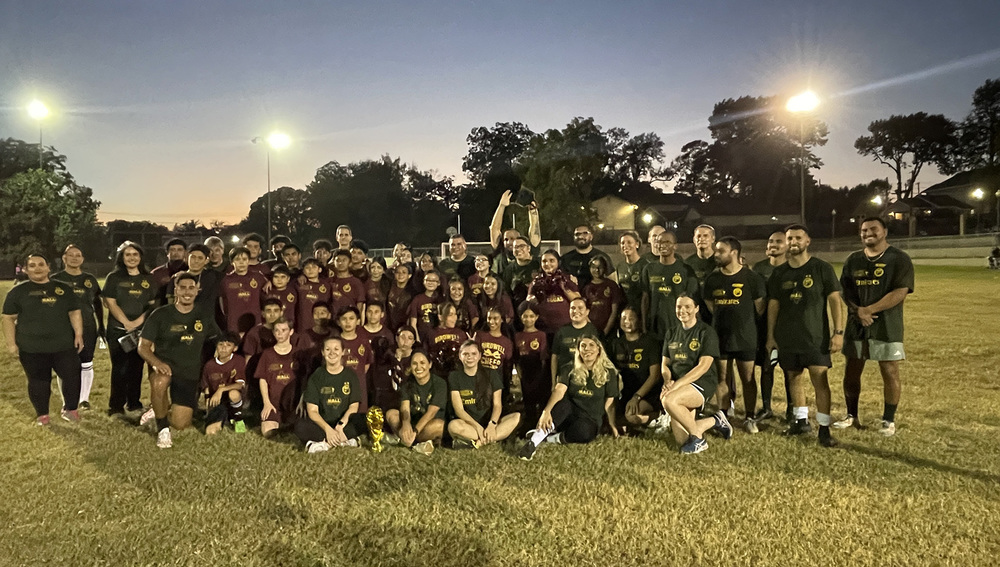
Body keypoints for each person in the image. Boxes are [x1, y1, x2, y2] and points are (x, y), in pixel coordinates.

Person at [766, 224, 845, 448]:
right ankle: (800, 422)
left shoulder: (821, 268)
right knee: (793, 378)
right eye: (790, 238)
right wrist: (771, 336)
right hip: (788, 337)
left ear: (807, 241)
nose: (793, 242)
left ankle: (824, 429)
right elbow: (774, 306)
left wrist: (838, 332)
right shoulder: (779, 273)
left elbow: (834, 301)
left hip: (815, 337)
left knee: (820, 380)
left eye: (798, 238)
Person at [835, 217, 914, 436]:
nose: (867, 233)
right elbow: (845, 290)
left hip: (886, 325)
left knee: (889, 370)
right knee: (852, 371)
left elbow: (900, 291)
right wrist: (858, 311)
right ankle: (851, 416)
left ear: (884, 232)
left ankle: (888, 420)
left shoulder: (899, 259)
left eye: (873, 229)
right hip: (856, 324)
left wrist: (870, 310)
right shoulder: (853, 260)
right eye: (863, 230)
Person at [138, 272, 222, 448]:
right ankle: (163, 430)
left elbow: (217, 340)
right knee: (160, 383)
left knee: (181, 424)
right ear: (175, 290)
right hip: (164, 367)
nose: (187, 292)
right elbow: (143, 346)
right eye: (182, 287)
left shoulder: (203, 315)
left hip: (188, 372)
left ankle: (158, 409)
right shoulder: (160, 314)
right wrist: (156, 363)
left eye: (191, 288)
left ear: (197, 290)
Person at [2, 253, 84, 425]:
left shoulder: (63, 289)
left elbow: (74, 311)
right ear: (25, 270)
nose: (37, 268)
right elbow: (8, 318)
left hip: (63, 345)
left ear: (48, 267)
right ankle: (42, 415)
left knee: (71, 377)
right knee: (38, 381)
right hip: (32, 347)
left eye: (41, 264)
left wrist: (78, 334)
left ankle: (71, 410)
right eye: (32, 265)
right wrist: (11, 344)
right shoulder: (18, 292)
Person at [518, 334, 620, 460]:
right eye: (583, 346)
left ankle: (550, 438)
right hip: (568, 414)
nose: (587, 349)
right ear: (578, 350)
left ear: (599, 349)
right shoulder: (569, 367)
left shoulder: (608, 372)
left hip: (589, 419)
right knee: (563, 404)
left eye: (591, 345)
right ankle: (533, 443)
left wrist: (611, 424)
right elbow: (559, 389)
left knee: (585, 433)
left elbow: (610, 402)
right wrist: (547, 411)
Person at [703, 236, 766, 431]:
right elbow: (710, 304)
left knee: (748, 378)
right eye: (717, 250)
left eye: (721, 251)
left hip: (745, 337)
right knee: (722, 378)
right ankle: (723, 416)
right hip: (720, 337)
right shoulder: (713, 279)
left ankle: (749, 416)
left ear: (734, 253)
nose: (717, 254)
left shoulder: (752, 278)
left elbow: (760, 307)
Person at [660, 294, 731, 455]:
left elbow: (703, 367)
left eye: (687, 307)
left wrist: (676, 386)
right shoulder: (671, 332)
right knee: (682, 441)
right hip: (679, 385)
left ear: (696, 309)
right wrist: (667, 381)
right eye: (679, 307)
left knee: (668, 400)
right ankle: (715, 420)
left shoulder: (706, 332)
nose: (682, 310)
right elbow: (665, 364)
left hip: (701, 382)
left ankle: (699, 441)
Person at [103, 241, 160, 415]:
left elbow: (152, 304)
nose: (132, 258)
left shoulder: (148, 278)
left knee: (137, 367)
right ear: (121, 257)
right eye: (127, 254)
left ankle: (134, 403)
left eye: (135, 254)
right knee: (120, 368)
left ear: (141, 257)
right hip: (118, 331)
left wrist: (137, 323)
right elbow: (110, 302)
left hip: (141, 332)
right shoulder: (114, 277)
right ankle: (116, 406)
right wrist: (126, 322)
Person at [51, 244, 105, 411]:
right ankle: (66, 401)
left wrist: (101, 326)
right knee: (64, 364)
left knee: (86, 362)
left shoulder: (90, 279)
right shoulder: (54, 279)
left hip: (87, 325)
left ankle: (84, 400)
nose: (75, 258)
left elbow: (97, 304)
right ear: (64, 258)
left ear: (82, 259)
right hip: (63, 327)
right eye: (71, 255)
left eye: (78, 255)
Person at [296, 336, 367, 452]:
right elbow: (312, 411)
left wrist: (340, 426)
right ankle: (344, 441)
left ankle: (323, 444)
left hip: (343, 423)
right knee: (300, 425)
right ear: (323, 353)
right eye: (328, 349)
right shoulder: (316, 376)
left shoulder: (351, 375)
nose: (332, 353)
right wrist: (328, 430)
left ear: (343, 352)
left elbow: (353, 406)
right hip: (323, 424)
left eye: (336, 349)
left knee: (363, 419)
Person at [447, 340, 521, 448]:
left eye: (473, 354)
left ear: (479, 356)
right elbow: (459, 410)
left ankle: (480, 442)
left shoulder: (491, 373)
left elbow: (497, 405)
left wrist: (492, 424)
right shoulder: (454, 376)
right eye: (465, 354)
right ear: (460, 356)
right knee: (453, 426)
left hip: (490, 422)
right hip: (470, 424)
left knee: (516, 417)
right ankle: (491, 438)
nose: (469, 357)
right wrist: (477, 427)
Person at [607, 307, 664, 432]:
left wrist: (636, 397)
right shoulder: (616, 343)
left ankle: (661, 416)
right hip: (625, 393)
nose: (627, 321)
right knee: (610, 417)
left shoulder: (649, 342)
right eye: (623, 318)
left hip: (646, 394)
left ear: (639, 321)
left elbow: (654, 376)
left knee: (631, 416)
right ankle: (645, 424)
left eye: (631, 318)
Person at [751, 231, 788, 421]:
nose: (774, 244)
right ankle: (766, 407)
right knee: (766, 366)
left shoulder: (791, 268)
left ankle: (792, 410)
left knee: (790, 368)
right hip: (763, 325)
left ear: (787, 246)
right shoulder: (759, 268)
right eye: (771, 241)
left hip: (788, 325)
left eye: (779, 242)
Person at [385, 350, 446, 455]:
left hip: (427, 424)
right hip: (413, 423)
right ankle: (411, 441)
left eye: (422, 363)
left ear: (430, 364)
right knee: (391, 414)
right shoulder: (407, 384)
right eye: (414, 363)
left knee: (440, 426)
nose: (418, 367)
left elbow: (431, 413)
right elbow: (405, 408)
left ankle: (406, 440)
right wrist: (406, 424)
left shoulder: (439, 383)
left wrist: (415, 432)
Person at [640, 230, 698, 339]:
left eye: (667, 242)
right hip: (655, 327)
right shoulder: (649, 269)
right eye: (659, 242)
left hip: (679, 325)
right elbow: (645, 299)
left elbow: (692, 300)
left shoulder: (686, 270)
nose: (663, 246)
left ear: (675, 246)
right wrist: (643, 325)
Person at [256, 318, 302, 438]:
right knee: (267, 432)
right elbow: (263, 379)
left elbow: (305, 380)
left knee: (299, 430)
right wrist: (266, 403)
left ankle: (290, 424)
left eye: (283, 330)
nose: (280, 334)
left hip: (294, 404)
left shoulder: (299, 353)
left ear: (291, 332)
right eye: (276, 330)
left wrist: (302, 401)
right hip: (273, 404)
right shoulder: (267, 354)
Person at [201, 332, 247, 435]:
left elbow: (240, 384)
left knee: (233, 393)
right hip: (218, 401)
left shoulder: (238, 361)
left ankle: (237, 418)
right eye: (221, 344)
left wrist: (221, 390)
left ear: (235, 348)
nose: (224, 348)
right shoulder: (209, 365)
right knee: (210, 432)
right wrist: (208, 399)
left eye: (228, 345)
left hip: (233, 398)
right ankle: (223, 418)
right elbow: (206, 386)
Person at [488, 189, 541, 275]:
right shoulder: (501, 253)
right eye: (505, 239)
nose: (509, 242)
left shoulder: (530, 250)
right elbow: (494, 229)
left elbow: (534, 229)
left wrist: (532, 210)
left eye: (512, 238)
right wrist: (501, 206)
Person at [549, 297, 600, 386]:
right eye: (572, 308)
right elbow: (554, 357)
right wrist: (553, 382)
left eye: (580, 308)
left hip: (587, 380)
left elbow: (600, 357)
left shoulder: (594, 331)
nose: (575, 311)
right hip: (565, 379)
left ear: (587, 311)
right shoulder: (562, 331)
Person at [527, 249, 581, 333]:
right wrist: (537, 294)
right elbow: (529, 301)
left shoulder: (566, 279)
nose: (547, 264)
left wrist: (564, 288)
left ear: (558, 262)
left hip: (565, 327)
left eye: (551, 260)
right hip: (543, 328)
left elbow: (577, 299)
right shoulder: (536, 281)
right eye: (544, 261)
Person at [514, 302, 549, 427]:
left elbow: (544, 357)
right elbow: (517, 358)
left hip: (538, 371)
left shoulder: (541, 335)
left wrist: (541, 375)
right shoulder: (518, 336)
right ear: (520, 317)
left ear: (537, 317)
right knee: (528, 401)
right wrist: (520, 375)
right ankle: (529, 424)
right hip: (525, 372)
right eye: (525, 316)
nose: (528, 319)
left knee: (540, 398)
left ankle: (541, 425)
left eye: (531, 316)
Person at [220, 247, 267, 334]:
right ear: (232, 262)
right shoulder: (226, 280)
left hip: (255, 321)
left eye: (244, 259)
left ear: (249, 261)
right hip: (234, 323)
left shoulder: (258, 277)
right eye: (237, 259)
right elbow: (222, 301)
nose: (241, 262)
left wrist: (269, 282)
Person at [336, 305, 373, 412]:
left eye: (351, 318)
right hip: (338, 386)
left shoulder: (364, 342)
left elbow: (366, 364)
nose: (348, 322)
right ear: (339, 322)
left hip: (358, 386)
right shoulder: (334, 342)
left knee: (358, 420)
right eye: (344, 319)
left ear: (358, 321)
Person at [560, 224, 614, 289]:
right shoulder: (566, 258)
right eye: (577, 234)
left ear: (591, 236)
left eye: (585, 233)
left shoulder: (602, 257)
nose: (580, 236)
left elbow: (612, 281)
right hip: (572, 297)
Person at [582, 256, 622, 336]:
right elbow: (583, 311)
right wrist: (592, 330)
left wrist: (606, 331)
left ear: (604, 268)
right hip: (591, 331)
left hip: (609, 331)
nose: (596, 270)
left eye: (600, 267)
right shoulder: (586, 287)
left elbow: (614, 311)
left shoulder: (612, 285)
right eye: (593, 267)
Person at [425, 302, 469, 376]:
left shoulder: (461, 333)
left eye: (455, 314)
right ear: (440, 317)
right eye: (450, 315)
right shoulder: (432, 333)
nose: (454, 318)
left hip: (458, 373)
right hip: (438, 373)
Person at [501, 236, 541, 308]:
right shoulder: (509, 269)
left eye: (522, 246)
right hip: (518, 309)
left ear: (528, 248)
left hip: (539, 308)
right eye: (515, 247)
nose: (518, 249)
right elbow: (507, 292)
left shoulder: (539, 264)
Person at [295, 258, 332, 334]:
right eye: (307, 268)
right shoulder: (298, 284)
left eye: (314, 267)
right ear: (303, 271)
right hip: (303, 324)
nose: (310, 270)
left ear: (320, 270)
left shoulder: (327, 285)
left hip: (322, 324)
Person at [616, 230, 649, 314]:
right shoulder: (620, 266)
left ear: (637, 244)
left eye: (629, 242)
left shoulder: (646, 265)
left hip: (641, 312)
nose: (625, 245)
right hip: (626, 312)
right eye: (623, 243)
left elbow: (646, 295)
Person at [329, 250, 367, 323]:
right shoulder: (329, 281)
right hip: (332, 322)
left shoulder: (356, 282)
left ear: (350, 263)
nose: (340, 263)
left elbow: (360, 304)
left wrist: (356, 320)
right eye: (338, 260)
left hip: (348, 322)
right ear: (334, 262)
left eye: (344, 260)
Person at [408, 269, 443, 343]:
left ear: (439, 283)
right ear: (423, 282)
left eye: (434, 281)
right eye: (428, 280)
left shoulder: (441, 299)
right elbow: (413, 323)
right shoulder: (417, 299)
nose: (430, 283)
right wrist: (417, 339)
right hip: (422, 336)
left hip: (438, 336)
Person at [150, 238, 188, 304]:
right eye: (172, 250)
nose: (176, 253)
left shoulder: (190, 271)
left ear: (185, 252)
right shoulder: (156, 273)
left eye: (180, 250)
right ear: (167, 253)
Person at [263, 264, 297, 329]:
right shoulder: (266, 290)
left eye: (283, 277)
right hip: (269, 327)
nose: (279, 280)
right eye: (276, 277)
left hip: (287, 327)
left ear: (288, 279)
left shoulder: (294, 290)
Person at [386, 263, 414, 332]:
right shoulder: (388, 287)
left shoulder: (412, 292)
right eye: (397, 272)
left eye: (404, 272)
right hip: (388, 325)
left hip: (404, 326)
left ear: (409, 275)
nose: (400, 275)